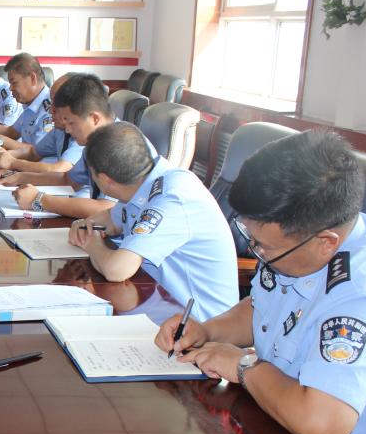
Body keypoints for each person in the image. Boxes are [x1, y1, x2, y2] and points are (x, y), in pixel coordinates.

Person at [154, 130, 366, 434]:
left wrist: (243, 367)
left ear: (326, 242)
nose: (257, 252)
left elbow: (322, 425)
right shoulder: (297, 247)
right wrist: (207, 331)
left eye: (263, 247)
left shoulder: (361, 293)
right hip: (274, 428)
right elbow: (261, 306)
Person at [66, 122, 238, 320]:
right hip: (162, 304)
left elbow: (117, 270)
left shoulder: (171, 198)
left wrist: (92, 244)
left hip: (199, 324)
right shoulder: (143, 183)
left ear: (105, 179)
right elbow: (112, 220)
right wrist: (84, 225)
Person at [4, 73, 136, 219]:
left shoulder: (119, 144)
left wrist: (39, 199)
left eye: (71, 123)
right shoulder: (95, 140)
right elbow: (69, 180)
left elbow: (107, 209)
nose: (67, 130)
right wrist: (19, 177)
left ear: (94, 118)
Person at [0, 73, 82, 175]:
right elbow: (33, 152)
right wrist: (4, 155)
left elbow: (59, 170)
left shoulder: (80, 133)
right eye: (52, 101)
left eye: (57, 103)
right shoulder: (59, 129)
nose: (51, 110)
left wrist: (13, 163)